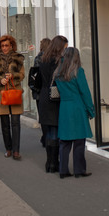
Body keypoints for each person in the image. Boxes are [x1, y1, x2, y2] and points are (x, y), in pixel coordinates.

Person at [55, 47, 95, 178]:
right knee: (79, 142)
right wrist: (91, 110)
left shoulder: (58, 73)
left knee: (65, 142)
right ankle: (79, 170)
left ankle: (63, 170)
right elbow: (85, 92)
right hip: (77, 107)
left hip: (64, 107)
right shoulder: (78, 71)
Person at [0, 35, 25, 160]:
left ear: (11, 46)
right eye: (2, 45)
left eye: (7, 45)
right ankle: (8, 149)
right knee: (5, 123)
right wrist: (1, 80)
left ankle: (16, 150)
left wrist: (13, 76)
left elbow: (22, 74)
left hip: (14, 92)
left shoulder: (18, 58)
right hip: (1, 93)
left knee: (15, 122)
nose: (4, 48)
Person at [38, 35, 68, 173]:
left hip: (44, 96)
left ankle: (49, 162)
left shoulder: (43, 59)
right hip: (55, 97)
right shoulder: (58, 61)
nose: (65, 50)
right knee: (55, 131)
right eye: (65, 47)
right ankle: (54, 162)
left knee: (49, 131)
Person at [31, 38, 51, 147]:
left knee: (43, 116)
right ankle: (49, 137)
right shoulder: (52, 58)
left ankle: (45, 137)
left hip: (39, 92)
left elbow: (36, 75)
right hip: (49, 91)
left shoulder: (38, 58)